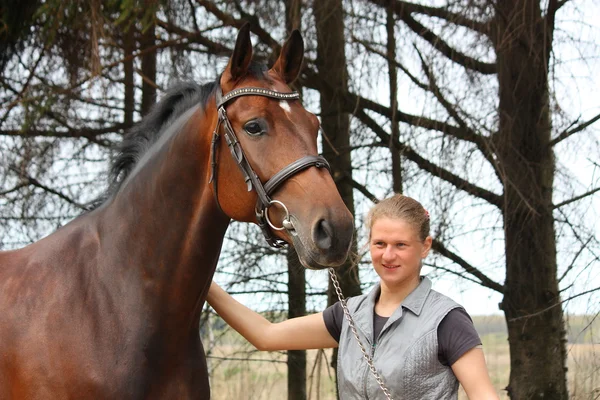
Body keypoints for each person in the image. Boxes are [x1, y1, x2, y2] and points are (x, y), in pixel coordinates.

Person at [206, 194, 499, 399]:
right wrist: (203, 283)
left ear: (425, 247)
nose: (388, 255)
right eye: (380, 243)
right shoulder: (348, 315)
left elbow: (484, 396)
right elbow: (266, 335)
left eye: (401, 245)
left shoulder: (446, 320)